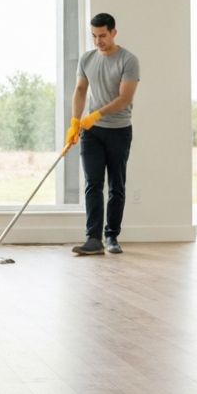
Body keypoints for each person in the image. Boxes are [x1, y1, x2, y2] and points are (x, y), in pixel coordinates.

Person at [66, 13, 140, 256]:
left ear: (113, 32)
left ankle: (112, 237)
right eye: (94, 36)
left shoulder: (128, 60)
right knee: (92, 184)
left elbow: (125, 98)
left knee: (116, 185)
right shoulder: (87, 59)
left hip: (119, 131)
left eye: (103, 35)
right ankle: (93, 239)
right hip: (92, 133)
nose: (98, 41)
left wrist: (96, 115)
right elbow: (79, 90)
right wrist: (75, 122)